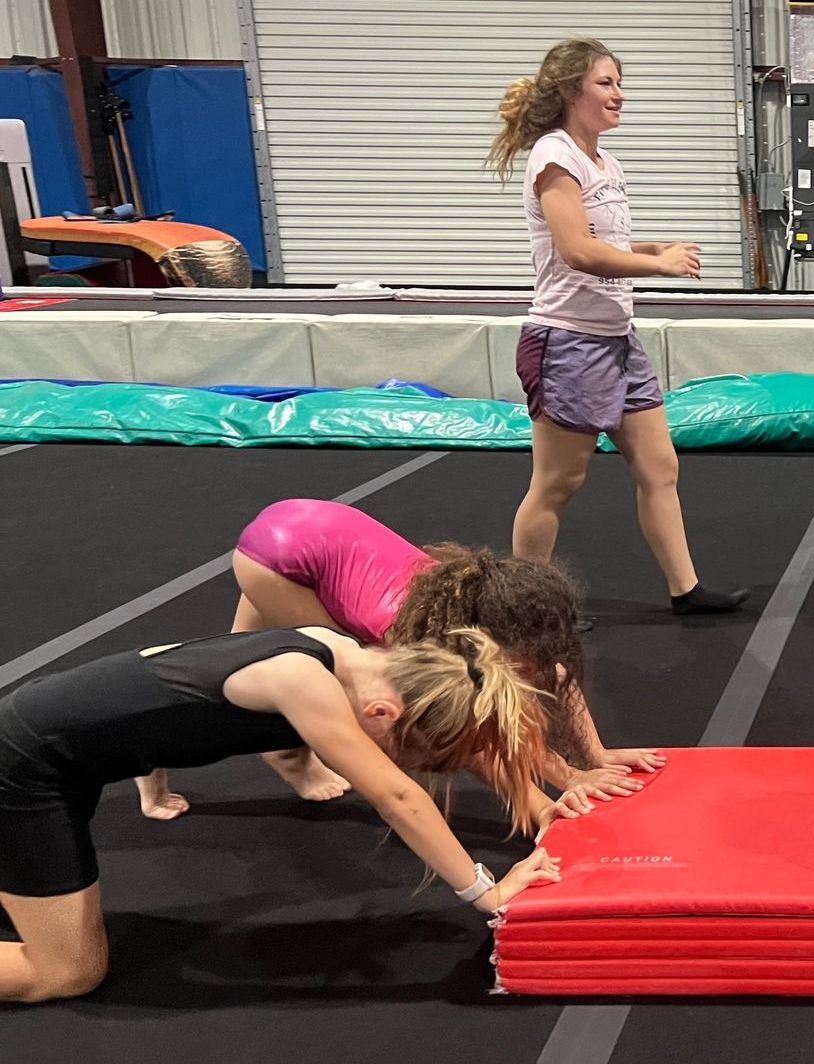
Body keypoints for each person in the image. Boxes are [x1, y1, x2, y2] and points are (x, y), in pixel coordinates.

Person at [0, 625, 576, 1002]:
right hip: (23, 766)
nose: (401, 762)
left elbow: (155, 677)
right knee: (65, 971)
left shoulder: (333, 647)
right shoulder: (307, 681)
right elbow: (396, 796)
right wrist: (489, 894)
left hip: (43, 736)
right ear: (381, 712)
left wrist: (543, 801)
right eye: (406, 749)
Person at [133, 498, 664, 821]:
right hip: (281, 561)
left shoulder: (480, 599)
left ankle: (171, 741)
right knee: (294, 681)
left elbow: (558, 672)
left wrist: (596, 755)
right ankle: (161, 749)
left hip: (315, 528)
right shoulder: (419, 640)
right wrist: (554, 789)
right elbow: (477, 742)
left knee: (222, 664)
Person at [487, 37, 748, 617]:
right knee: (558, 484)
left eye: (618, 82)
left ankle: (687, 589)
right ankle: (527, 609)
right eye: (605, 83)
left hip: (616, 340)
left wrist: (653, 245)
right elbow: (578, 251)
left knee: (660, 467)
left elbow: (606, 241)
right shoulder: (555, 158)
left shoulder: (604, 161)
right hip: (566, 341)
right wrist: (658, 264)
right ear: (567, 90)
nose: (618, 94)